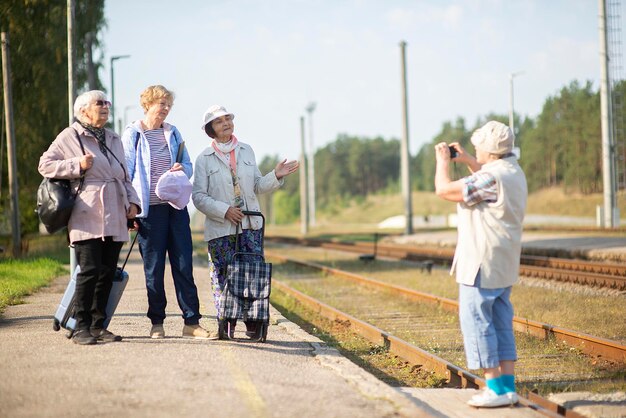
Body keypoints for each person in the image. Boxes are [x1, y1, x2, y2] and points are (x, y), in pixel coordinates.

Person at [434, 120, 527, 408]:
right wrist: (470, 160)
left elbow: (445, 190)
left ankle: (493, 388)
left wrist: (443, 163)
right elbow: (488, 178)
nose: (476, 151)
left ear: (489, 151)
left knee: (478, 321)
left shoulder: (489, 178)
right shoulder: (513, 172)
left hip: (480, 262)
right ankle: (507, 387)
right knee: (500, 322)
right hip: (503, 262)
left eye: (478, 149)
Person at [38, 90, 141, 345]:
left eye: (107, 102)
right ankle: (81, 326)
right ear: (83, 110)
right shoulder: (70, 135)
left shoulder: (114, 138)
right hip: (87, 212)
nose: (105, 106)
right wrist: (76, 165)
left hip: (116, 210)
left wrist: (134, 203)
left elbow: (123, 176)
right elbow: (45, 165)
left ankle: (98, 325)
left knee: (107, 272)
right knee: (90, 270)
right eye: (99, 103)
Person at [192, 105, 299, 338]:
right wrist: (224, 210)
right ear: (211, 128)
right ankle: (227, 322)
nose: (226, 123)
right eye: (219, 121)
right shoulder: (204, 159)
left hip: (250, 226)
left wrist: (276, 175)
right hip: (221, 228)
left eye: (228, 118)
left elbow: (257, 185)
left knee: (252, 274)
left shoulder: (246, 150)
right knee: (223, 277)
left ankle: (253, 322)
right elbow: (198, 197)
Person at [121, 85, 214, 340]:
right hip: (149, 212)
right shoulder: (134, 134)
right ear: (147, 105)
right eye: (160, 103)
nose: (165, 109)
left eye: (168, 105)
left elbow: (187, 164)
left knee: (184, 264)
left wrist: (180, 168)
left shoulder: (173, 133)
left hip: (176, 207)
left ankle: (191, 322)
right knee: (154, 268)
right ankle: (157, 323)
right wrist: (130, 209)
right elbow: (126, 171)